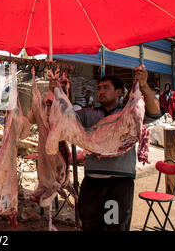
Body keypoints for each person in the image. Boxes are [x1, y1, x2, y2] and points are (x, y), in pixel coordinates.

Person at [67, 65, 161, 231]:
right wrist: (59, 90)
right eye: (99, 88)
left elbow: (154, 112)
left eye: (106, 88)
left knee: (115, 227)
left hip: (119, 182)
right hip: (92, 181)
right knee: (90, 224)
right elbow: (66, 119)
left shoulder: (130, 113)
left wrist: (144, 85)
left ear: (118, 92)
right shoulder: (88, 114)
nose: (101, 91)